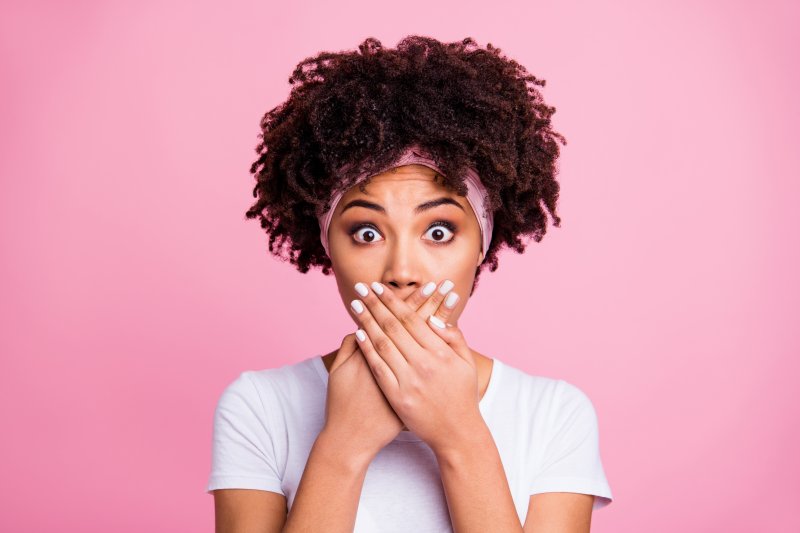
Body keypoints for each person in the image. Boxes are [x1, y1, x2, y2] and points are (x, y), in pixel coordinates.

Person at [207, 35, 613, 532]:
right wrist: (343, 446)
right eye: (367, 232)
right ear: (328, 246)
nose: (402, 271)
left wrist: (460, 436)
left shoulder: (553, 415)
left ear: (481, 244)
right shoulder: (260, 406)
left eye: (439, 231)